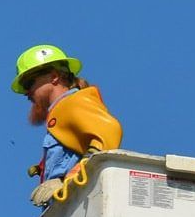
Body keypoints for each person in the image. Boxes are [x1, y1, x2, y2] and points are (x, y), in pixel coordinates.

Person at [12, 44, 123, 207]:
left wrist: (68, 178)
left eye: (29, 83)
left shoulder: (73, 102)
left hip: (79, 203)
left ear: (54, 76)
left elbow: (110, 132)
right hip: (67, 207)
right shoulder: (61, 110)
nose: (26, 92)